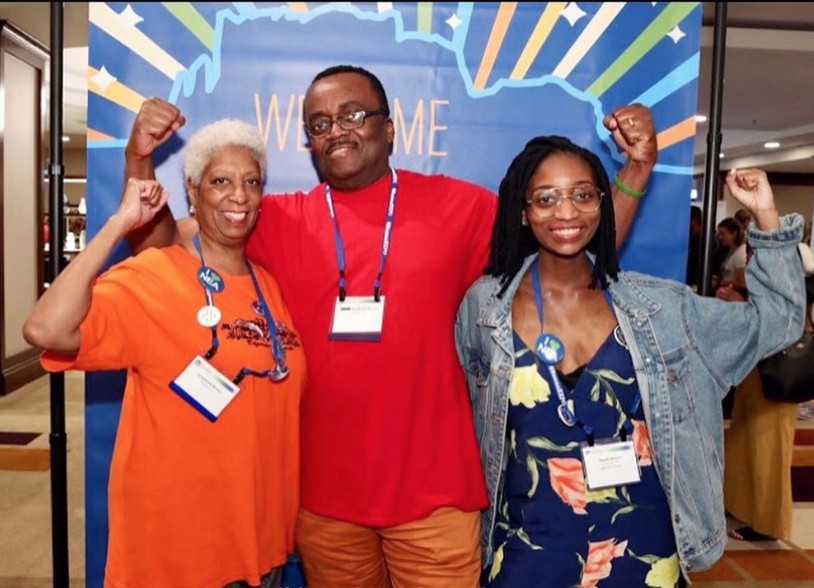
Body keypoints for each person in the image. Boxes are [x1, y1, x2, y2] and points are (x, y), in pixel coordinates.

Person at [123, 65, 657, 587]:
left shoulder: (459, 205)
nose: (336, 130)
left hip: (436, 498)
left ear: (390, 128)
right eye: (319, 123)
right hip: (325, 503)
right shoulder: (276, 218)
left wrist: (635, 170)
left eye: (353, 114)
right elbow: (163, 246)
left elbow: (569, 239)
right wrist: (140, 159)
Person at [454, 141, 804, 587]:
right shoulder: (485, 308)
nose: (567, 212)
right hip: (529, 548)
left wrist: (766, 217)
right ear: (523, 212)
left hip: (642, 550)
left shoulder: (660, 308)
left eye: (583, 195)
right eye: (546, 198)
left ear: (602, 203)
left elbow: (778, 321)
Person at [23, 120, 305, 588]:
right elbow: (45, 328)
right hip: (177, 555)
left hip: (259, 550)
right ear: (192, 190)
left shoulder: (267, 285)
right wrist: (119, 223)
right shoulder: (154, 277)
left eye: (251, 182)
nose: (239, 195)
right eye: (221, 181)